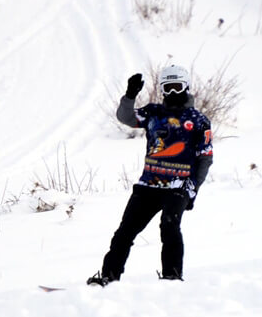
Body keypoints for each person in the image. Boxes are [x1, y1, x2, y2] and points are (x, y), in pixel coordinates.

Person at [88, 65, 213, 286]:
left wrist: (192, 189)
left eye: (177, 87)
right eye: (168, 88)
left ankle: (172, 277)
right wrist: (130, 95)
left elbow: (205, 158)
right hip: (149, 186)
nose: (173, 93)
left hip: (178, 186)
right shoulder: (153, 112)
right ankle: (108, 277)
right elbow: (125, 118)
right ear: (162, 89)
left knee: (169, 226)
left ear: (186, 87)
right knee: (125, 232)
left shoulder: (198, 120)